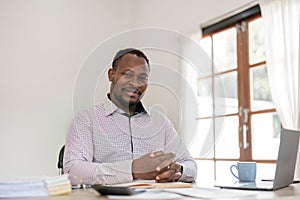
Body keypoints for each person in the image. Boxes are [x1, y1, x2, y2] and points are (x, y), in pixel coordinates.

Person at [64, 48, 197, 185]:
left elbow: (191, 166)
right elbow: (72, 171)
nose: (135, 83)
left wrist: (178, 170)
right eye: (127, 74)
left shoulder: (160, 121)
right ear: (111, 75)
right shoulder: (86, 119)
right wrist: (132, 170)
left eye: (142, 78)